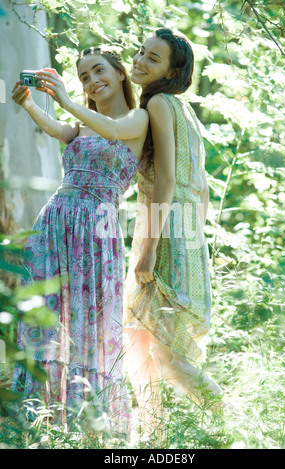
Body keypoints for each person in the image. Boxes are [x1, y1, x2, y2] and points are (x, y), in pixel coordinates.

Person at [11, 46, 149, 434]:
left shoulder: (136, 119)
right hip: (54, 223)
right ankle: (39, 418)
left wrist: (66, 100)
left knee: (94, 321)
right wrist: (30, 105)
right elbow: (58, 130)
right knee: (44, 315)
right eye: (84, 76)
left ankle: (93, 422)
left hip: (96, 230)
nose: (92, 81)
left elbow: (115, 131)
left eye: (99, 70)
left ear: (121, 74)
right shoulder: (84, 123)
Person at [123, 29, 222, 434]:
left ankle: (234, 425)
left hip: (163, 230)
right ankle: (153, 436)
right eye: (141, 52)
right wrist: (192, 239)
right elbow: (201, 186)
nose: (141, 61)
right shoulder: (184, 111)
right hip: (180, 230)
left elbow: (165, 180)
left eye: (154, 58)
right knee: (138, 342)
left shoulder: (161, 103)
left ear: (172, 71)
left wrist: (149, 249)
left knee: (167, 356)